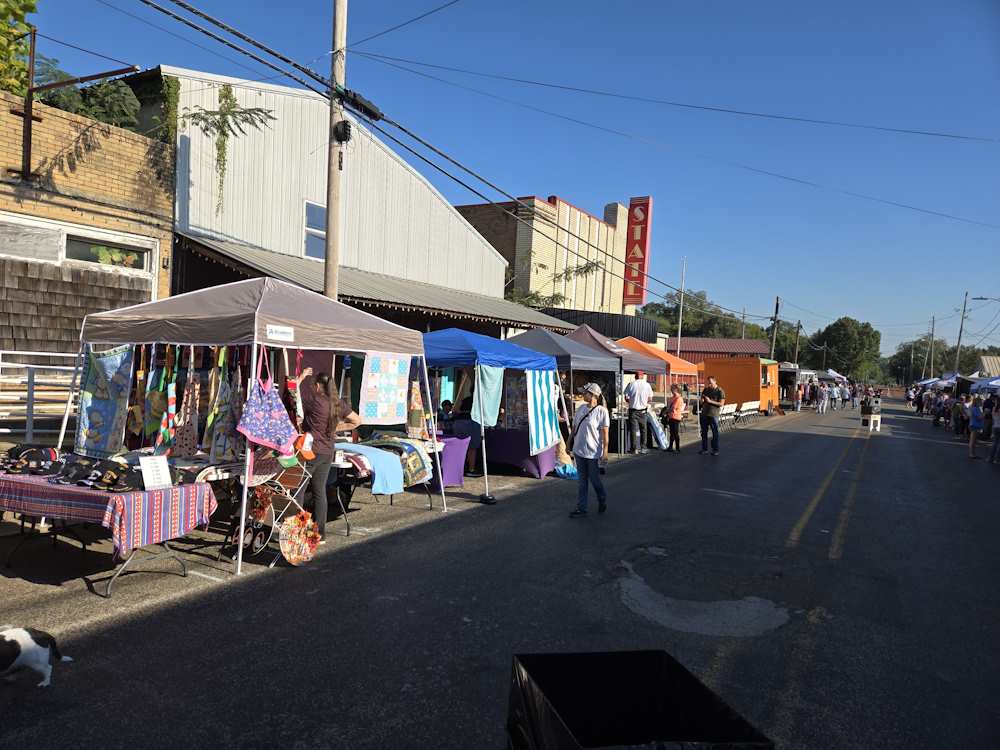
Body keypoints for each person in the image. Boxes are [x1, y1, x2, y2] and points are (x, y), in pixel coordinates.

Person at [295, 367, 362, 542]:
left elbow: (292, 392)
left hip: (310, 451)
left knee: (299, 491)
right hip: (327, 452)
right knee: (319, 492)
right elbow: (357, 420)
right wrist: (335, 428)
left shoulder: (313, 399)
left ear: (318, 386)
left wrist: (300, 378)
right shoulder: (336, 402)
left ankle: (300, 530)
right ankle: (320, 534)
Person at [569, 383, 610, 518]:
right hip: (579, 450)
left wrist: (605, 452)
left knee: (594, 479)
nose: (583, 395)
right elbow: (574, 429)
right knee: (582, 482)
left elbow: (605, 434)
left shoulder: (602, 411)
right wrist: (568, 443)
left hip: (593, 453)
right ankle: (582, 508)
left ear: (593, 395)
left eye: (585, 393)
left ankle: (602, 497)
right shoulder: (580, 409)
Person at [623, 371, 653, 454]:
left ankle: (634, 448)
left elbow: (626, 396)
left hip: (633, 409)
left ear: (635, 376)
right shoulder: (647, 385)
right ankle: (643, 447)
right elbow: (650, 399)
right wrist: (644, 401)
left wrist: (631, 401)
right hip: (643, 410)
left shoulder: (631, 384)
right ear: (642, 376)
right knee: (643, 429)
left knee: (633, 430)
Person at [699, 376, 725, 456]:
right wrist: (702, 401)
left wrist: (710, 401)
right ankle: (704, 449)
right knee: (703, 432)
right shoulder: (706, 390)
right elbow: (701, 400)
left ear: (715, 381)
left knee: (715, 433)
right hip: (704, 413)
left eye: (710, 382)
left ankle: (715, 450)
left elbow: (721, 404)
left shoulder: (720, 391)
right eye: (708, 382)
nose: (709, 384)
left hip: (713, 414)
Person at [663, 383, 684, 453]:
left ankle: (678, 448)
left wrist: (665, 411)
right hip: (671, 416)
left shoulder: (679, 398)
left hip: (676, 417)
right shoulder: (672, 398)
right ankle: (670, 447)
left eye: (672, 389)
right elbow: (669, 406)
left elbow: (672, 408)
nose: (671, 390)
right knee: (672, 433)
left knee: (675, 433)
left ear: (675, 389)